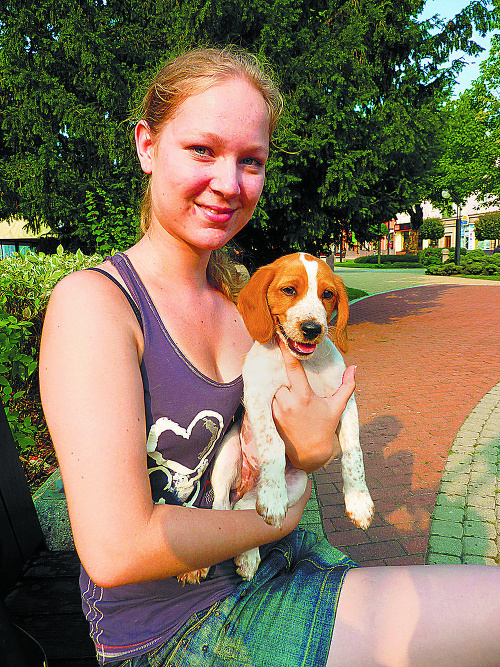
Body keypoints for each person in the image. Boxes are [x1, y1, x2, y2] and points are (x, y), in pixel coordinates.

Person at [39, 46, 500, 667]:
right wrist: (276, 519)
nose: (228, 183)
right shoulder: (97, 307)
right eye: (202, 150)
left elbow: (303, 443)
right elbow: (118, 550)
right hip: (179, 628)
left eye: (249, 160)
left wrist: (311, 450)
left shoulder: (243, 300)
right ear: (146, 146)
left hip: (288, 565)